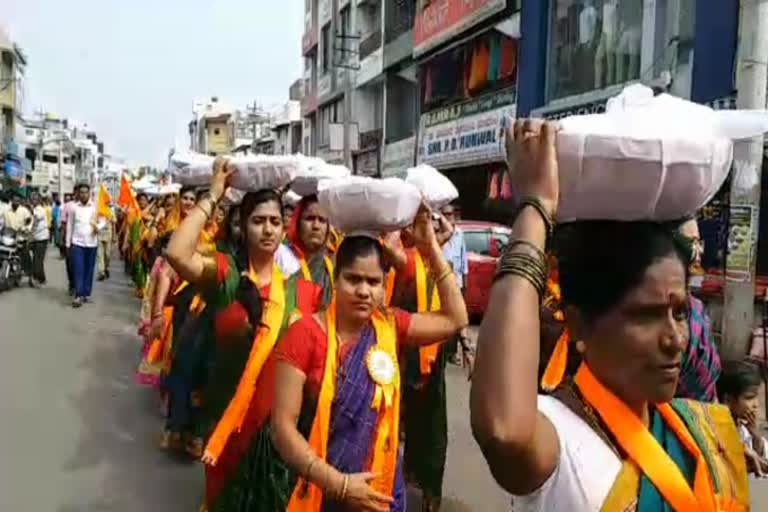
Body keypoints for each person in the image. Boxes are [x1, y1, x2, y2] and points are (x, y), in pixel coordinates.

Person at [470, 119, 749, 511]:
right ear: (580, 323)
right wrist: (535, 208)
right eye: (647, 315)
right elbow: (504, 432)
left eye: (680, 312)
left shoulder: (694, 432)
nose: (675, 339)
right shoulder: (561, 437)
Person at [237, 213, 467, 512]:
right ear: (335, 279)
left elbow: (456, 318)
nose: (363, 291)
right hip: (322, 490)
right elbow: (282, 429)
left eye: (373, 282)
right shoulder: (305, 334)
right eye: (353, 279)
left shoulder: (389, 324)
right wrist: (340, 485)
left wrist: (431, 249)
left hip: (382, 490)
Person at [165, 159, 322, 509]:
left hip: (276, 434)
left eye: (275, 222)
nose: (267, 230)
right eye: (258, 221)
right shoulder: (227, 276)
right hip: (227, 421)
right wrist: (214, 195)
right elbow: (176, 253)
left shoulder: (303, 293)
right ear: (244, 228)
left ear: (284, 229)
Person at [717, 360, 768, 476]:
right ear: (728, 400)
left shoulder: (743, 428)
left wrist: (755, 433)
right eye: (749, 398)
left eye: (756, 398)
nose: (755, 404)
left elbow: (761, 457)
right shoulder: (718, 429)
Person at [286, 194, 335, 304]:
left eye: (322, 220)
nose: (316, 226)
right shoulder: (283, 260)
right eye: (310, 218)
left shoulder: (331, 268)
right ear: (297, 224)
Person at [440, 202, 470, 366]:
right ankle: (442, 351)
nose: (447, 217)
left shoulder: (459, 234)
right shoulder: (437, 233)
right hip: (442, 281)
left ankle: (452, 352)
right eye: (444, 214)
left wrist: (465, 282)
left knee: (457, 317)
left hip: (456, 280)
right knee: (444, 317)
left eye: (450, 214)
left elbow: (463, 258)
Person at [66, 183, 103, 308]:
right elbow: (70, 225)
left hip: (91, 243)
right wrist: (67, 243)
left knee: (89, 269)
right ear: (78, 194)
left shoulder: (95, 207)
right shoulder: (73, 208)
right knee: (78, 269)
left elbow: (103, 220)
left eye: (85, 192)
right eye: (81, 192)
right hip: (77, 243)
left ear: (89, 193)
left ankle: (85, 293)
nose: (83, 194)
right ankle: (78, 295)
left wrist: (97, 227)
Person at [29, 192, 50, 287]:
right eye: (32, 199)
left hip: (42, 238)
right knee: (36, 259)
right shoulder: (33, 209)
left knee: (38, 259)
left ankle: (39, 278)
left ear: (39, 200)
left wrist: (31, 233)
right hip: (35, 237)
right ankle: (39, 277)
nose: (34, 200)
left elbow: (36, 219)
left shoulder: (40, 209)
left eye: (36, 199)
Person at [96, 203, 115, 281]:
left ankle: (106, 267)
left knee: (107, 255)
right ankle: (101, 272)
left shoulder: (111, 211)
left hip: (108, 235)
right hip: (99, 235)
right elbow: (94, 222)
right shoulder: (98, 211)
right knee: (100, 255)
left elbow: (114, 224)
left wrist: (114, 235)